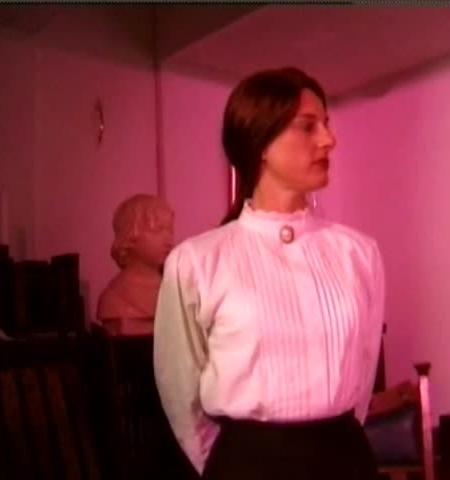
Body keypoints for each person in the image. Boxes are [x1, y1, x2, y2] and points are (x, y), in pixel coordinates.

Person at [153, 67, 385, 480]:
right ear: (260, 141)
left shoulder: (358, 254)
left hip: (345, 459)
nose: (328, 139)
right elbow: (179, 387)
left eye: (326, 124)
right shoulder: (196, 261)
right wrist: (230, 464)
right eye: (308, 126)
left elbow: (364, 373)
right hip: (249, 466)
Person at [96, 193, 175, 335]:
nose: (169, 240)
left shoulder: (174, 289)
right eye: (158, 230)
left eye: (170, 230)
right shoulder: (115, 297)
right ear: (130, 235)